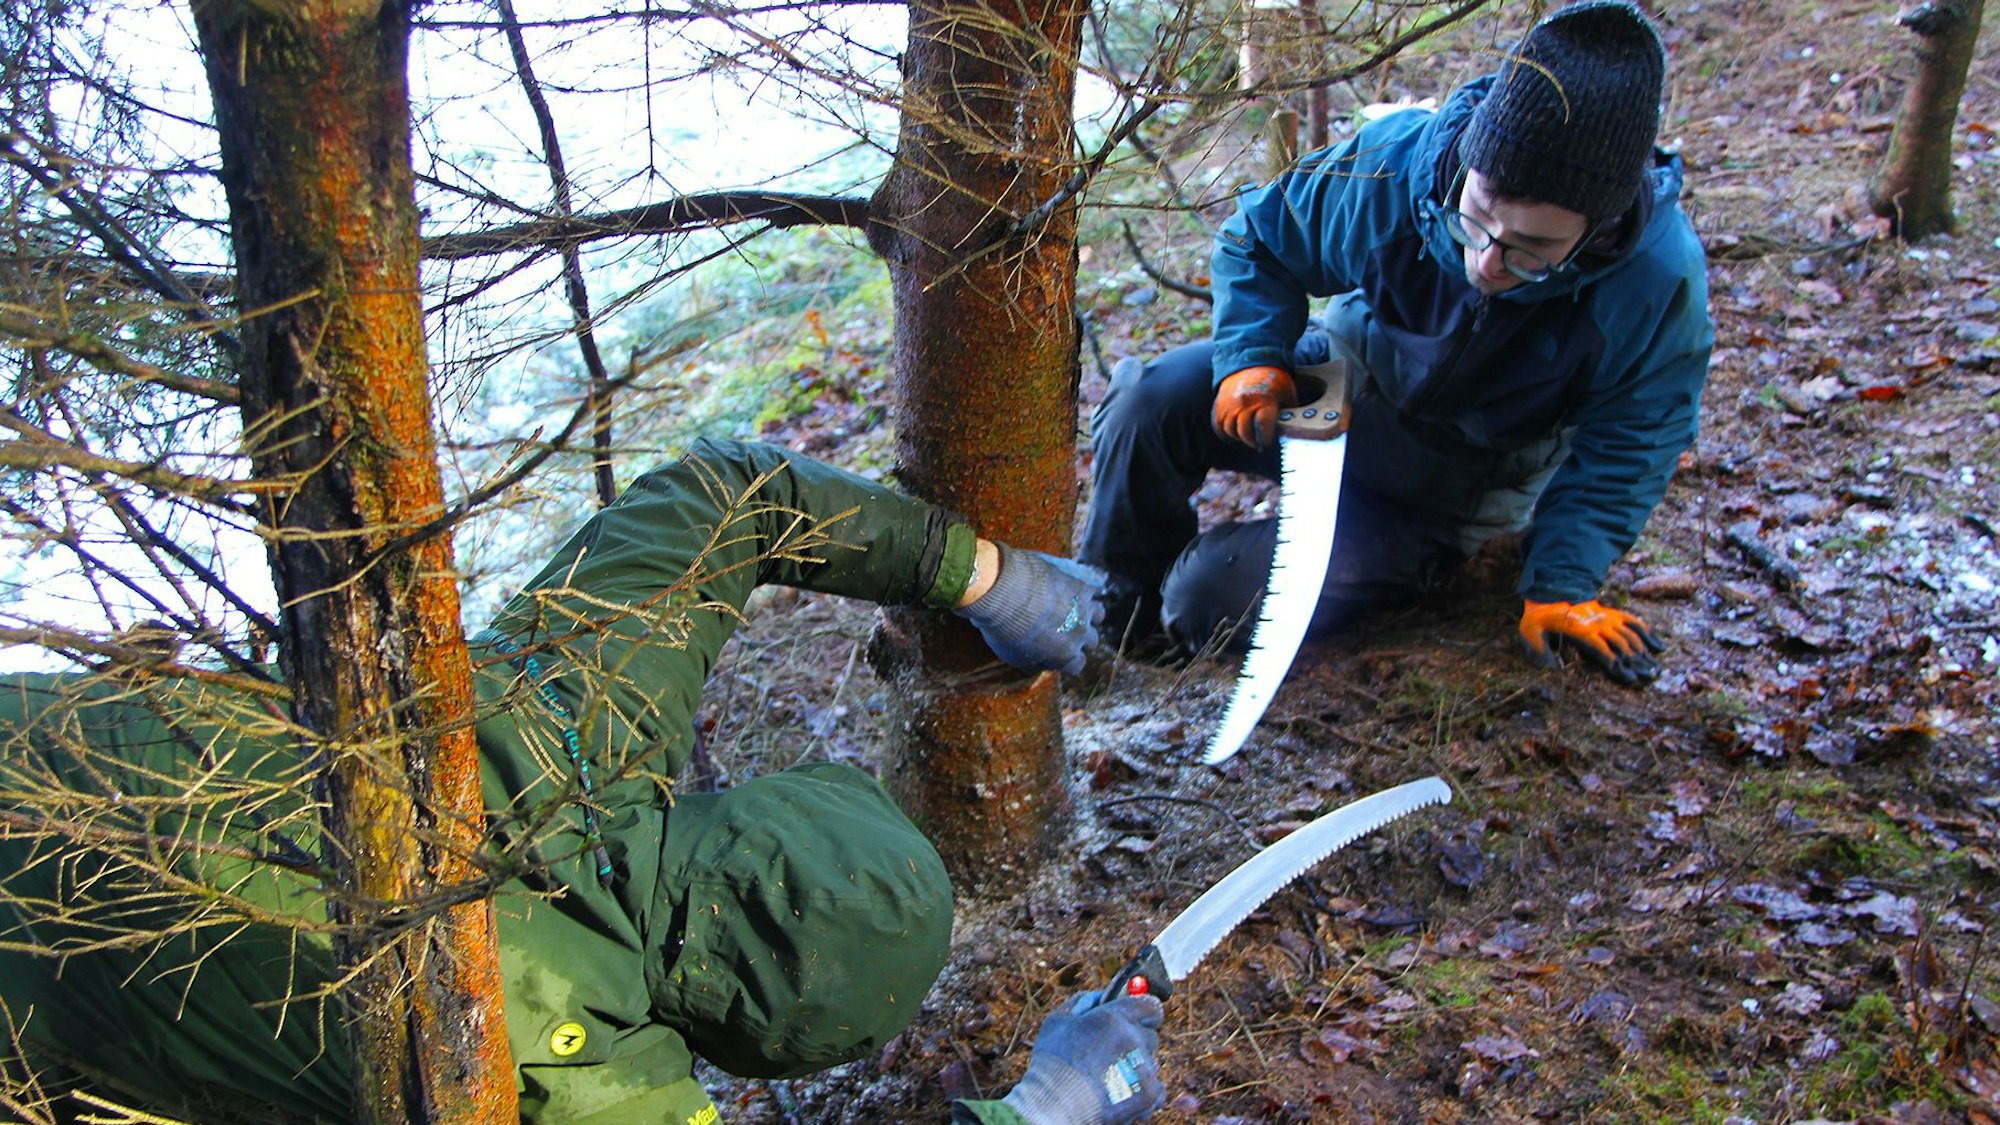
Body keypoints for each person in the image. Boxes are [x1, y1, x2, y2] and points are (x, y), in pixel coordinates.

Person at [0, 438, 1163, 1124]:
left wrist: (983, 576)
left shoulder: (584, 708)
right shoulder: (584, 1080)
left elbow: (729, 493)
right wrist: (1047, 1109)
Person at [1082, 0, 1713, 685]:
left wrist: (1562, 579)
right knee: (1148, 403)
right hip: (1335, 394)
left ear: (1599, 224)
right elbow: (1261, 239)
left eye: (1532, 251)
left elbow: (1635, 441)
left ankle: (1237, 601)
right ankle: (1108, 631)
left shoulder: (1654, 280)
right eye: (1475, 222)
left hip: (1445, 498)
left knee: (1208, 601)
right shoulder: (1401, 168)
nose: (1487, 264)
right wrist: (1254, 357)